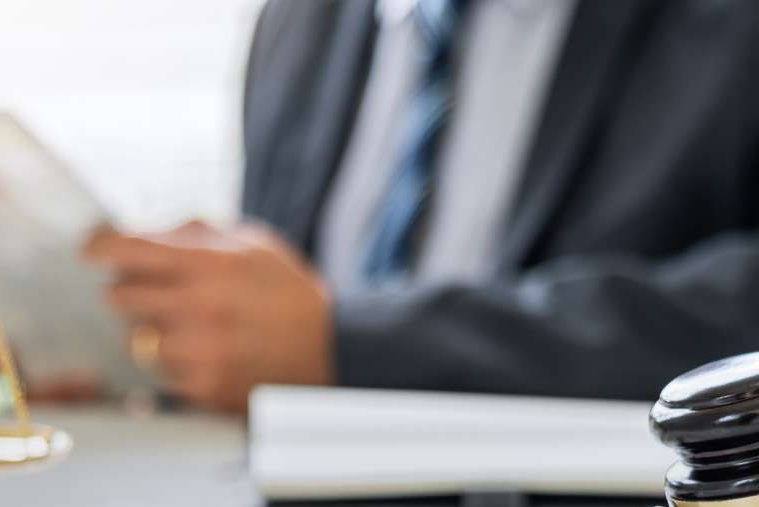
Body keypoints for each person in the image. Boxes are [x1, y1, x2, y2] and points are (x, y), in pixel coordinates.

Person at [84, 0, 759, 412]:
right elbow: (280, 330)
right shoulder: (302, 20)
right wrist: (161, 353)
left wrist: (353, 341)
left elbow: (736, 311)